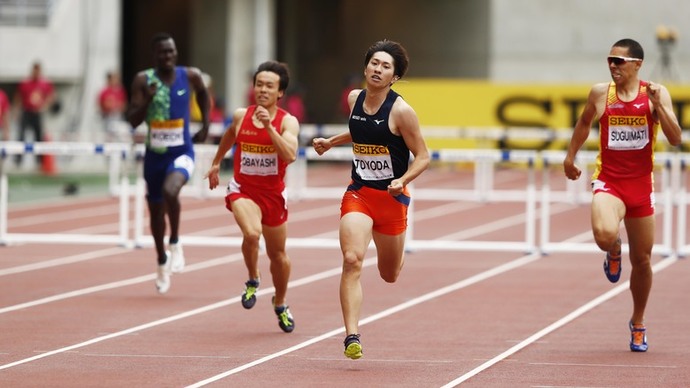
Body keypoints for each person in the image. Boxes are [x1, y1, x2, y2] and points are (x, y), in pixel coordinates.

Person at [312, 40, 430, 359]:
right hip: (359, 194)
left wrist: (402, 180)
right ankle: (352, 335)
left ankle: (396, 249)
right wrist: (331, 142)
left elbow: (423, 156)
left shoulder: (402, 111)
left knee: (389, 274)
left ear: (394, 77)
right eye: (374, 63)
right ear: (366, 67)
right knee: (352, 259)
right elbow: (360, 131)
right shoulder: (355, 98)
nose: (378, 69)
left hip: (392, 200)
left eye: (385, 66)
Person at [563, 38, 682, 352]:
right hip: (610, 181)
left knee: (642, 260)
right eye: (610, 60)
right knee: (603, 234)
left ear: (637, 64)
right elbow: (584, 122)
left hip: (641, 186)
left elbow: (675, 138)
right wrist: (570, 157)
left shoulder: (655, 94)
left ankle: (638, 322)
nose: (613, 66)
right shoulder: (601, 93)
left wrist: (660, 107)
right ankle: (613, 248)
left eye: (619, 61)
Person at [205, 61, 299, 333]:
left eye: (269, 86)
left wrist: (270, 128)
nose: (262, 90)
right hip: (243, 190)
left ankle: (280, 303)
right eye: (259, 84)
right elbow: (229, 136)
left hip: (273, 195)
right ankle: (253, 278)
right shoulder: (240, 115)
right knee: (252, 234)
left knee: (278, 255)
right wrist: (216, 162)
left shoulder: (287, 121)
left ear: (280, 92)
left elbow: (290, 155)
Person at [126, 32, 210, 294]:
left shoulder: (190, 75)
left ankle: (175, 241)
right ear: (155, 56)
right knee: (155, 211)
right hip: (154, 155)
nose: (168, 56)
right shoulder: (143, 80)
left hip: (182, 151)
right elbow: (132, 120)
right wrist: (149, 99)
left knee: (171, 191)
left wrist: (206, 124)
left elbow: (204, 95)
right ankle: (161, 259)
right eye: (163, 52)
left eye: (171, 51)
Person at [13, 61, 55, 165]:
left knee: (39, 137)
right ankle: (18, 160)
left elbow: (51, 96)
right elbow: (18, 97)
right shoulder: (25, 83)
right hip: (26, 111)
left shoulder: (45, 84)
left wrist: (45, 106)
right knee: (21, 135)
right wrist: (16, 111)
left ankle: (39, 161)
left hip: (38, 113)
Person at [98, 71, 128, 142]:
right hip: (107, 118)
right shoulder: (104, 91)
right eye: (114, 78)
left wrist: (114, 104)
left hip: (118, 118)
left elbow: (124, 105)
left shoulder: (121, 91)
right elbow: (104, 105)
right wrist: (115, 105)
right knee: (108, 138)